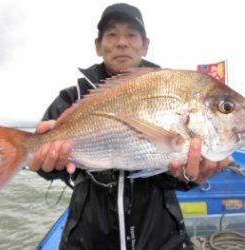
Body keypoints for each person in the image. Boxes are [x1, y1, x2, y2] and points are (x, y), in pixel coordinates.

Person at [29, 3, 230, 250]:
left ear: (145, 44)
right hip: (89, 238)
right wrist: (46, 163)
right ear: (98, 45)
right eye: (112, 34)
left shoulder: (168, 85)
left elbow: (176, 174)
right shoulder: (73, 98)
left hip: (161, 237)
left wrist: (189, 176)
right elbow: (44, 164)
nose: (122, 42)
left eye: (131, 34)